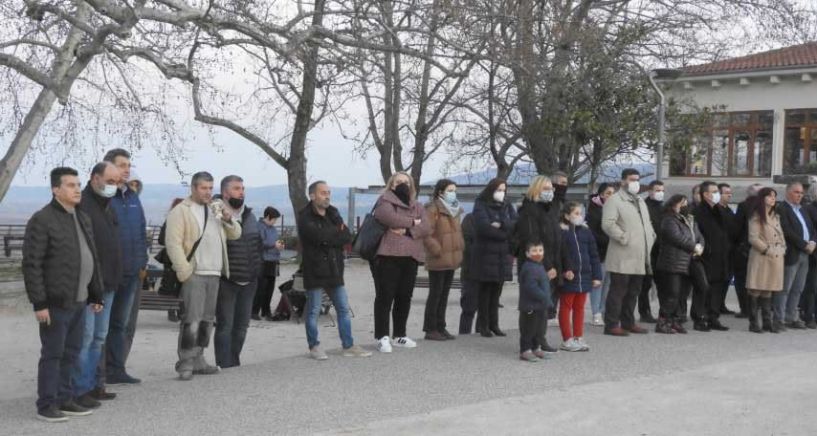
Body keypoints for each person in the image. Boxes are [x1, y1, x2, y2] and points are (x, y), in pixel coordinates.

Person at [24, 167, 105, 422]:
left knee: (72, 352)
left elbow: (90, 257)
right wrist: (40, 302)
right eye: (70, 185)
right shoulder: (43, 219)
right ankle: (46, 405)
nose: (77, 189)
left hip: (80, 301)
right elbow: (32, 264)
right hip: (56, 303)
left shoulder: (81, 217)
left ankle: (65, 398)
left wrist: (96, 294)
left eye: (79, 184)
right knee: (53, 354)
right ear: (55, 189)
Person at [165, 172, 242, 380]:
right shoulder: (182, 210)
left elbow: (236, 234)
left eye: (210, 188)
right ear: (193, 188)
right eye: (203, 188)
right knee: (192, 319)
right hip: (195, 272)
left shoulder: (215, 208)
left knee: (207, 319)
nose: (208, 192)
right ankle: (186, 362)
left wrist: (228, 219)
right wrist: (184, 270)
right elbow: (173, 243)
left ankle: (199, 358)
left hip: (215, 271)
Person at [297, 181, 371, 359]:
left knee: (343, 308)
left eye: (328, 192)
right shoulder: (305, 216)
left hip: (334, 268)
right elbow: (318, 236)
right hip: (315, 269)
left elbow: (346, 236)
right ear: (313, 195)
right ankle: (314, 346)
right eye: (323, 193)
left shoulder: (333, 212)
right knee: (314, 310)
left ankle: (348, 345)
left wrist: (332, 236)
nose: (327, 196)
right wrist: (333, 235)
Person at [72, 163, 122, 409]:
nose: (114, 185)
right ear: (94, 179)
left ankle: (93, 385)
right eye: (109, 180)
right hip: (92, 286)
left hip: (109, 283)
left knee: (99, 337)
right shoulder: (84, 207)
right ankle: (79, 389)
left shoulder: (109, 207)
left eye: (117, 182)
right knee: (86, 336)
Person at [371, 172, 431, 352]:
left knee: (404, 297)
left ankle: (400, 335)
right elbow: (390, 218)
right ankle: (382, 336)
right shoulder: (384, 201)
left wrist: (407, 231)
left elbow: (426, 227)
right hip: (389, 256)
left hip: (411, 257)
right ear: (392, 184)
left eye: (406, 182)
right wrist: (414, 222)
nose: (403, 185)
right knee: (385, 297)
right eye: (399, 182)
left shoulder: (418, 205)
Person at [103, 149, 147, 385]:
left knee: (121, 324)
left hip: (132, 273)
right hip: (109, 273)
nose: (127, 169)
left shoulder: (131, 196)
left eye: (128, 165)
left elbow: (140, 231)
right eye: (122, 165)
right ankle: (97, 373)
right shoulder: (104, 197)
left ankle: (116, 369)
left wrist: (142, 262)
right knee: (101, 328)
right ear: (108, 167)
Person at [214, 176, 263, 369]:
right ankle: (224, 364)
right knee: (225, 325)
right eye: (236, 188)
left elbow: (256, 244)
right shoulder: (216, 213)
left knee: (242, 326)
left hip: (249, 280)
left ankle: (233, 362)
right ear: (225, 192)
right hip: (227, 279)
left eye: (242, 188)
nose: (241, 192)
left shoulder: (250, 216)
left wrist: (257, 269)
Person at [601, 168, 655, 336]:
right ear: (623, 181)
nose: (635, 183)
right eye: (632, 179)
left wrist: (651, 236)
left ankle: (628, 322)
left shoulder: (640, 200)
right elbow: (608, 224)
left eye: (637, 179)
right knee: (618, 292)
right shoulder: (615, 200)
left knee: (633, 292)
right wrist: (623, 237)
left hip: (639, 255)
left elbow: (647, 223)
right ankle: (611, 324)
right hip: (622, 255)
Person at [513, 175, 560, 350]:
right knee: (531, 305)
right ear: (536, 190)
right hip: (534, 264)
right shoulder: (529, 210)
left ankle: (539, 339)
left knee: (544, 304)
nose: (550, 192)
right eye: (546, 189)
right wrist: (546, 265)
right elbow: (533, 239)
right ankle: (528, 343)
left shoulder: (549, 210)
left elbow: (554, 238)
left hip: (549, 262)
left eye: (551, 189)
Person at [472, 178, 517, 338]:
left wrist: (500, 224)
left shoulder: (507, 205)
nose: (502, 193)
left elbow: (514, 223)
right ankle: (483, 326)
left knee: (496, 294)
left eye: (504, 190)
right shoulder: (481, 203)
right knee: (485, 293)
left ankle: (494, 324)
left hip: (502, 256)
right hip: (485, 255)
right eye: (499, 189)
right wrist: (504, 231)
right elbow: (484, 228)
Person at [654, 195, 703, 334]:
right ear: (674, 204)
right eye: (682, 203)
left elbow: (697, 236)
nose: (685, 206)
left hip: (685, 262)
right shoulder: (669, 219)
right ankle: (663, 321)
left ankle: (674, 321)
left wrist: (700, 246)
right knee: (672, 294)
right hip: (671, 262)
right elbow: (677, 238)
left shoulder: (685, 219)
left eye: (686, 203)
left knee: (681, 295)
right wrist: (694, 247)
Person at [422, 179, 464, 341]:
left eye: (454, 190)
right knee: (435, 294)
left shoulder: (455, 210)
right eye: (450, 190)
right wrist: (437, 249)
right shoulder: (433, 209)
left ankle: (441, 326)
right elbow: (426, 233)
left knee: (444, 294)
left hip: (451, 258)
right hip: (439, 258)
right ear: (441, 192)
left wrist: (459, 248)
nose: (453, 193)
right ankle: (430, 328)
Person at [558, 202, 601, 351]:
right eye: (576, 213)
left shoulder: (586, 232)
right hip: (570, 276)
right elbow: (559, 255)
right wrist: (565, 270)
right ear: (566, 216)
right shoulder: (562, 232)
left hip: (585, 276)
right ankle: (567, 339)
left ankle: (578, 336)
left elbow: (594, 255)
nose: (579, 216)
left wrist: (597, 275)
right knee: (566, 307)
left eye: (581, 213)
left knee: (580, 308)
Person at [746, 187, 786, 333]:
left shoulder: (776, 216)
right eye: (769, 196)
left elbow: (781, 235)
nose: (773, 198)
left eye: (774, 196)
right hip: (761, 256)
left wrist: (782, 248)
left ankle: (767, 322)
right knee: (756, 289)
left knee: (768, 290)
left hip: (776, 256)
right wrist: (767, 250)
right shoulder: (756, 216)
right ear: (762, 198)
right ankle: (753, 322)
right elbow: (753, 238)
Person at [776, 182, 815, 330]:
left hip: (806, 254)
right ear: (787, 192)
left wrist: (812, 241)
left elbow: (811, 228)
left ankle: (791, 316)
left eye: (801, 193)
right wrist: (804, 244)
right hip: (792, 253)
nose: (799, 195)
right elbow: (786, 230)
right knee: (785, 288)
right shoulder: (782, 209)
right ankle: (779, 319)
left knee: (798, 288)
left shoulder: (803, 210)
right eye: (796, 192)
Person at [693, 181, 731, 332]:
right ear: (706, 194)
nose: (717, 194)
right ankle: (699, 318)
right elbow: (698, 233)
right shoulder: (698, 212)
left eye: (718, 191)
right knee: (703, 288)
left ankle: (713, 316)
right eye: (714, 191)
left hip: (721, 256)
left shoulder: (718, 210)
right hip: (706, 256)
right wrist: (705, 250)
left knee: (717, 288)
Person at [518, 242, 553, 362]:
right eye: (534, 251)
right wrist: (544, 297)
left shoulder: (539, 266)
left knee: (539, 328)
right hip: (530, 306)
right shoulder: (528, 267)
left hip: (541, 305)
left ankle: (536, 347)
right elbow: (530, 287)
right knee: (528, 329)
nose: (537, 253)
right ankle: (525, 350)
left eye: (540, 250)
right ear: (527, 254)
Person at [733, 183, 763, 319]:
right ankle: (756, 308)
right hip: (760, 248)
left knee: (743, 281)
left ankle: (746, 309)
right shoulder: (765, 207)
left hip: (744, 248)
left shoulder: (743, 206)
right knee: (757, 280)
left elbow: (737, 228)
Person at [587, 183, 615, 325]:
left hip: (612, 253)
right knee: (598, 283)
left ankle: (603, 310)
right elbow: (592, 233)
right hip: (599, 253)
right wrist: (610, 240)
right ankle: (596, 313)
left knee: (607, 284)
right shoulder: (594, 210)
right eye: (608, 193)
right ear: (602, 194)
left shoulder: (613, 210)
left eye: (613, 193)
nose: (611, 196)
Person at [638, 180, 664, 323]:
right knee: (645, 284)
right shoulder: (644, 207)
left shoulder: (663, 208)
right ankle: (644, 312)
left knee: (662, 284)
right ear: (650, 191)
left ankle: (663, 313)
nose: (660, 193)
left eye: (662, 190)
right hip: (648, 251)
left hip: (661, 251)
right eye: (657, 190)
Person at [156, 198, 186, 322]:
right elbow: (161, 239)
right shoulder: (170, 221)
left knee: (182, 286)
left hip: (182, 258)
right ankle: (172, 310)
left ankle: (179, 310)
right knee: (172, 285)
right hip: (171, 259)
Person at [253, 207, 285, 321]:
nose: (275, 221)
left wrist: (279, 245)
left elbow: (275, 240)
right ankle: (254, 311)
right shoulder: (259, 227)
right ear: (267, 217)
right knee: (261, 287)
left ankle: (266, 311)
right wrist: (273, 245)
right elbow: (260, 243)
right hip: (263, 260)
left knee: (270, 288)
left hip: (273, 260)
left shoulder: (273, 229)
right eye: (274, 219)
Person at [717, 183, 738, 315]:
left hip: (730, 250)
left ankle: (721, 304)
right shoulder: (716, 210)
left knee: (727, 278)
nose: (729, 195)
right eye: (726, 192)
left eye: (730, 193)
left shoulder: (729, 210)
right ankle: (714, 305)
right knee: (718, 279)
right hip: (719, 251)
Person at [458, 213, 479, 334]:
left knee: (485, 310)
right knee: (468, 308)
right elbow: (465, 244)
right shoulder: (470, 219)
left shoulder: (500, 216)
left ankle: (481, 334)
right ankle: (464, 335)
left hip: (489, 272)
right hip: (471, 271)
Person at [800, 184, 817, 329]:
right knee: (811, 287)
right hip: (813, 254)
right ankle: (808, 315)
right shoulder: (808, 209)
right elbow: (811, 230)